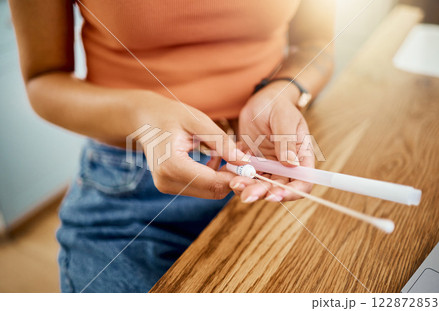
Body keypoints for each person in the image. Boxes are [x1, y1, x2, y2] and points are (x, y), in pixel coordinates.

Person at [9, 0, 335, 292]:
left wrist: (282, 91)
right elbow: (43, 81)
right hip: (127, 189)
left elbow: (316, 42)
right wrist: (142, 114)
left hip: (267, 165)